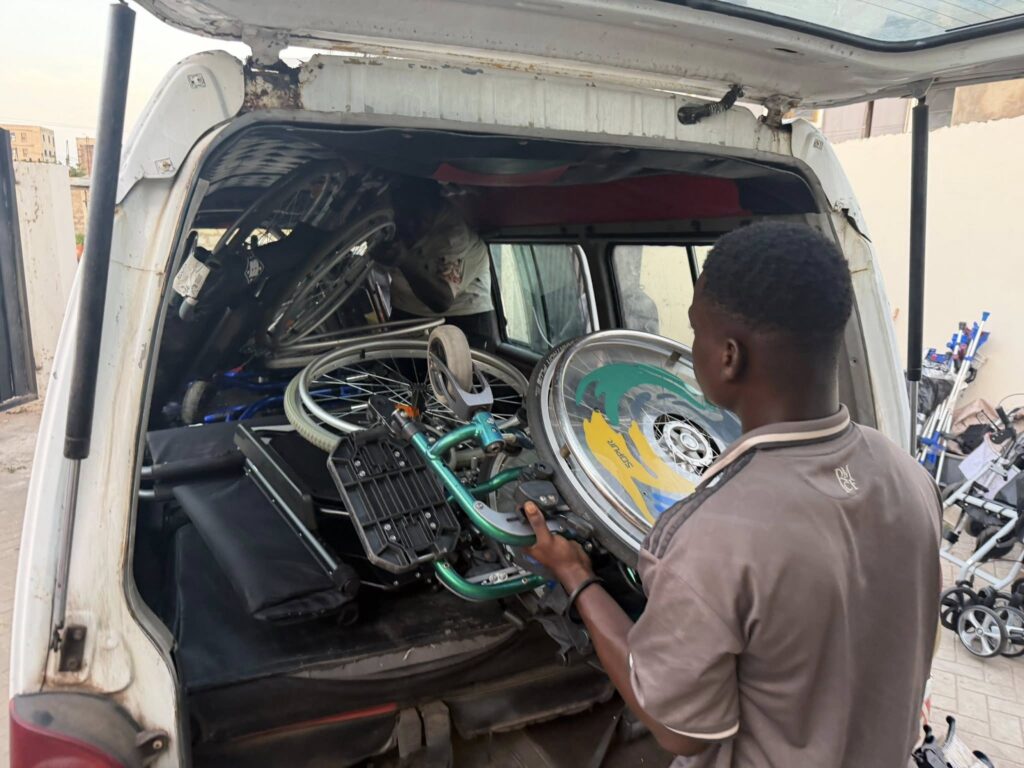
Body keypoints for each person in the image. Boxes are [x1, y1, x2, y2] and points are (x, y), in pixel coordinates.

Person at [523, 221, 941, 767]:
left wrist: (575, 575)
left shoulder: (710, 536)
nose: (690, 344)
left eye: (695, 329)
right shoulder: (908, 475)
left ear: (728, 356)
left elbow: (679, 731)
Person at [378, 177, 494, 347]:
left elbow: (442, 300)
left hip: (461, 319)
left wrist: (403, 260)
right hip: (406, 313)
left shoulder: (453, 234)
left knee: (458, 365)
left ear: (434, 207)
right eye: (404, 217)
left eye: (417, 220)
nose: (409, 226)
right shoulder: (395, 220)